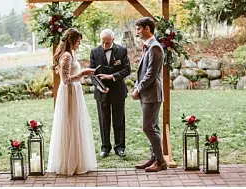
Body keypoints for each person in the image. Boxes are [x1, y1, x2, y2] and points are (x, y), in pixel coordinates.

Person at [47, 28, 97, 175]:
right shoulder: (67, 56)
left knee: (77, 122)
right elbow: (66, 79)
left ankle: (77, 159)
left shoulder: (71, 54)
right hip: (69, 93)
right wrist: (83, 73)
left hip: (75, 92)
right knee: (70, 122)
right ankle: (68, 161)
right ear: (71, 40)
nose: (79, 43)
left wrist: (83, 74)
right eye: (78, 40)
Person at [131, 17, 167, 173]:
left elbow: (151, 73)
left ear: (147, 29)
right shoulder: (148, 47)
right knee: (153, 127)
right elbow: (142, 72)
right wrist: (137, 86)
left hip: (152, 94)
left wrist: (138, 89)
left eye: (139, 29)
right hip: (147, 94)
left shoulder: (155, 48)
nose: (137, 32)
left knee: (148, 128)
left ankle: (160, 161)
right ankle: (154, 158)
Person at [89, 29, 130, 158]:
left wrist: (111, 76)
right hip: (101, 92)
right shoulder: (94, 52)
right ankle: (105, 147)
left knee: (119, 120)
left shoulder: (122, 50)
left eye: (107, 42)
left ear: (113, 40)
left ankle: (120, 147)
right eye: (103, 42)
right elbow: (92, 74)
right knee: (103, 120)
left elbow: (127, 70)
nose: (105, 45)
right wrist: (100, 86)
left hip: (118, 90)